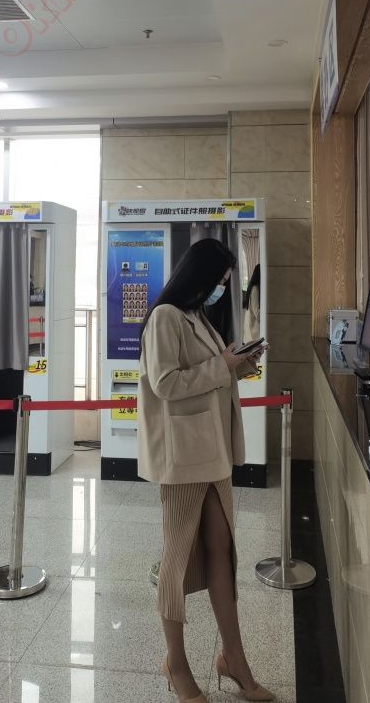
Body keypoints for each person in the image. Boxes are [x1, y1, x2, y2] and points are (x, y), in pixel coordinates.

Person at [138, 238, 272, 703]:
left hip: (212, 451)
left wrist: (239, 364)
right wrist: (222, 365)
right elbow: (165, 383)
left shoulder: (196, 316)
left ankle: (233, 658)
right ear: (199, 276)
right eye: (219, 280)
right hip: (184, 457)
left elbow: (210, 373)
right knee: (176, 561)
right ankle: (175, 664)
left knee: (222, 549)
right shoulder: (165, 317)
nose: (222, 288)